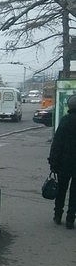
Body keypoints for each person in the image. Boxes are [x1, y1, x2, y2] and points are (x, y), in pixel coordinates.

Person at [48, 94, 76, 229]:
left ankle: (58, 215)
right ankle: (71, 219)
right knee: (75, 192)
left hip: (64, 162)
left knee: (61, 189)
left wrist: (53, 162)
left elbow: (57, 143)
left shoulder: (65, 121)